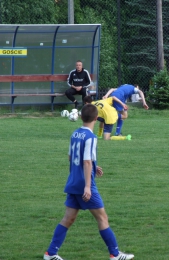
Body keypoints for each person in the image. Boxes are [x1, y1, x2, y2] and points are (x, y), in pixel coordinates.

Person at [43, 104, 134, 260]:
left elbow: (72, 158)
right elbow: (85, 161)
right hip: (84, 185)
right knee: (102, 218)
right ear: (96, 118)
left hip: (72, 182)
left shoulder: (75, 133)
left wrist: (93, 165)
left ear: (80, 117)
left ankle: (50, 253)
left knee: (68, 219)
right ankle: (115, 254)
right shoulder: (91, 137)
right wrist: (87, 185)